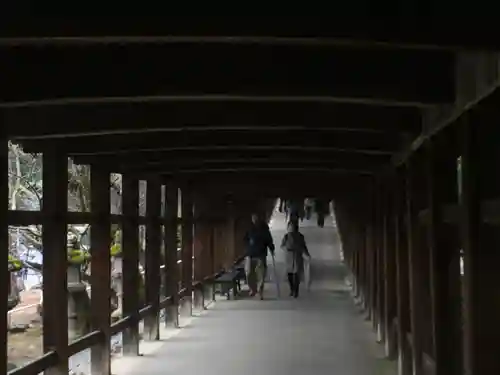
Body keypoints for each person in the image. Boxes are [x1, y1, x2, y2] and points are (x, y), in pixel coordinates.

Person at [243, 213, 275, 299]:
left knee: (261, 274)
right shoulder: (249, 229)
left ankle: (260, 291)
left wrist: (272, 248)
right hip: (250, 254)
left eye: (256, 218)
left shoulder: (264, 229)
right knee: (249, 273)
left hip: (261, 254)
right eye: (253, 218)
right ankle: (253, 289)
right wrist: (247, 246)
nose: (255, 220)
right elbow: (244, 239)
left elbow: (269, 240)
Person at [281, 221, 310, 298]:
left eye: (292, 227)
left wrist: (307, 254)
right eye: (290, 227)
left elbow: (303, 246)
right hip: (288, 258)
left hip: (297, 257)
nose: (291, 228)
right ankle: (292, 289)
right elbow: (282, 246)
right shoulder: (286, 236)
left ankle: (296, 291)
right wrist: (286, 249)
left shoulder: (300, 236)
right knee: (289, 275)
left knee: (296, 275)